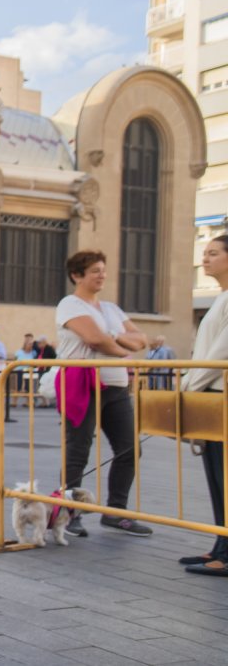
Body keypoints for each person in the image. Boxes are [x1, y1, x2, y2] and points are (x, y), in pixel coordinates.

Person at [55, 250, 152, 537]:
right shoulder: (69, 304)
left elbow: (141, 338)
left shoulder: (110, 309)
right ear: (77, 275)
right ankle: (69, 514)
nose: (102, 275)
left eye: (103, 270)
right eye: (95, 270)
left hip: (116, 385)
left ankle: (115, 512)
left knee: (130, 449)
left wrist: (115, 339)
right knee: (78, 450)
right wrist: (123, 348)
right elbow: (94, 339)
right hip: (81, 383)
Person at [180, 236, 228, 576]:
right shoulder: (220, 297)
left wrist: (188, 387)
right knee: (214, 472)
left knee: (223, 474)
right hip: (208, 392)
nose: (205, 259)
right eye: (204, 253)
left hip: (216, 393)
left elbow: (219, 356)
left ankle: (226, 553)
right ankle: (220, 544)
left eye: (213, 253)